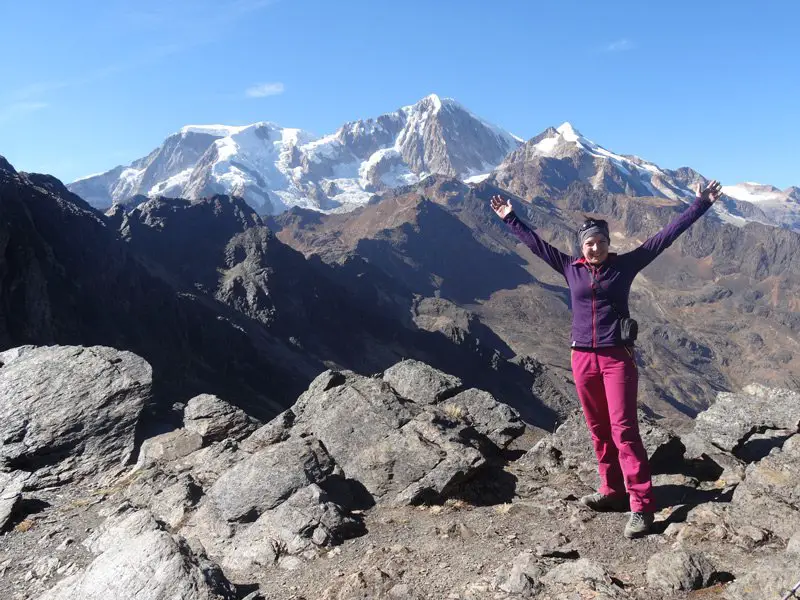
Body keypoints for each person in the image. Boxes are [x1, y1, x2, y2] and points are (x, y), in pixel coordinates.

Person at [490, 180, 723, 538]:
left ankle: (642, 506)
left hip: (617, 358)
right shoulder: (571, 267)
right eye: (589, 243)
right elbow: (537, 245)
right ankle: (612, 490)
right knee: (598, 429)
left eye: (600, 241)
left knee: (624, 430)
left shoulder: (625, 266)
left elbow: (666, 236)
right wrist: (511, 218)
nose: (595, 247)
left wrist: (701, 204)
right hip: (581, 357)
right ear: (581, 247)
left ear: (608, 244)